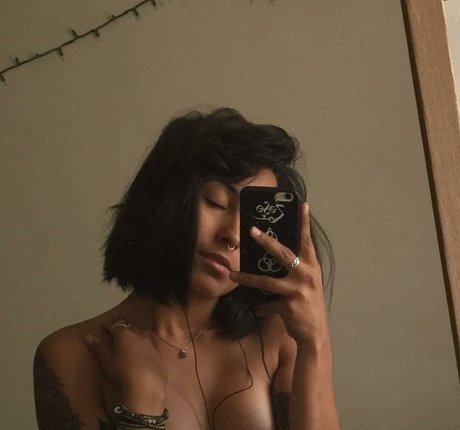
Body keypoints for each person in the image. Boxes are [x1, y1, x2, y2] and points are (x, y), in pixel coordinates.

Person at [33, 108, 340, 430]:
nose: (233, 236)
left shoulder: (280, 338)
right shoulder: (73, 354)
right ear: (164, 200)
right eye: (216, 202)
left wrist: (315, 340)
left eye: (254, 221)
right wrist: (142, 397)